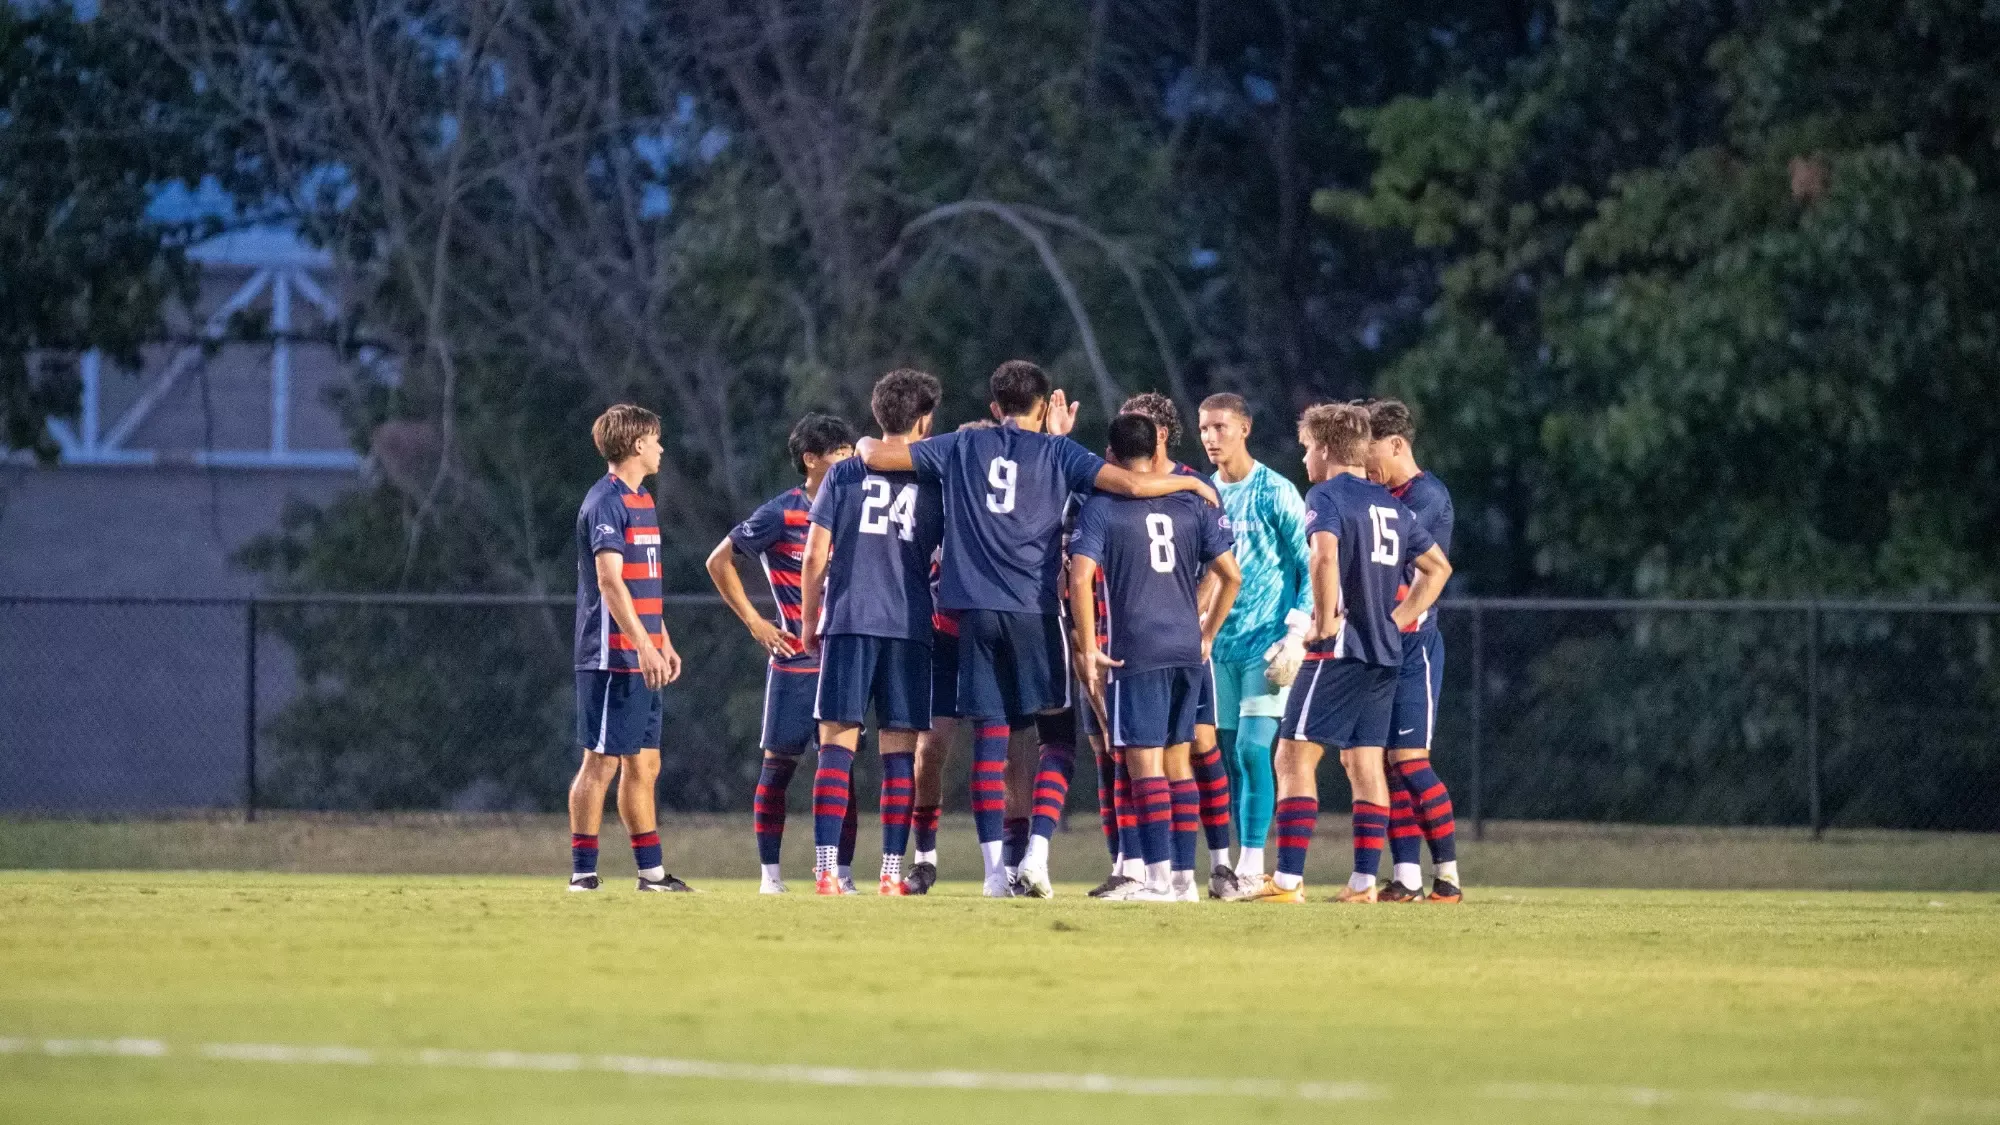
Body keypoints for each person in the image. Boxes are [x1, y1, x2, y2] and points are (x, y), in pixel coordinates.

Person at [855, 360, 1217, 897]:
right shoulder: (1059, 452)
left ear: (996, 406)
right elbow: (1128, 484)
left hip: (971, 612)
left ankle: (995, 877)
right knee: (1056, 740)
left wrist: (862, 443)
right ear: (1045, 406)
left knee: (991, 738)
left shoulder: (961, 444)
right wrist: (1194, 488)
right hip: (1033, 610)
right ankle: (1039, 857)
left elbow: (878, 455)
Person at [1247, 403, 1451, 904]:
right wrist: (1396, 621)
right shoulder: (1392, 505)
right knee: (1365, 765)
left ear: (1323, 449)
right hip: (1386, 653)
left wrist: (1323, 620)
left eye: (1305, 450)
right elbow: (1438, 569)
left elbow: (1323, 553)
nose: (1303, 461)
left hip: (1339, 650)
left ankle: (1288, 882)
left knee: (1292, 755)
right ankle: (1362, 882)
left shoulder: (1326, 495)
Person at [1068, 413, 1241, 901]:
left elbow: (1080, 578)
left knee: (1143, 767)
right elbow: (1232, 575)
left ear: (1112, 455)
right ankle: (1185, 880)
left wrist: (1091, 647)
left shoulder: (1103, 507)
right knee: (1178, 762)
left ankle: (1158, 880)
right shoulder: (1192, 500)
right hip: (1187, 648)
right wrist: (1205, 632)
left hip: (1136, 649)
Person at [799, 370, 945, 895]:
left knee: (835, 747)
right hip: (908, 625)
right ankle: (888, 872)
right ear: (925, 420)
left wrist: (808, 617)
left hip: (849, 618)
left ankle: (824, 870)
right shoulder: (934, 480)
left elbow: (815, 554)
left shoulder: (842, 474)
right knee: (899, 753)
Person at [704, 413, 858, 894]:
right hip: (795, 660)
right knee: (778, 767)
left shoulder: (858, 508)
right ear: (811, 460)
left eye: (851, 454)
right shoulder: (780, 513)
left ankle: (840, 873)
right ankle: (770, 876)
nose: (848, 463)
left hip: (844, 658)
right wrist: (755, 621)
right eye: (839, 455)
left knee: (842, 773)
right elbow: (718, 560)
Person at [568, 404, 694, 893]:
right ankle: (583, 874)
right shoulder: (605, 501)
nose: (662, 448)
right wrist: (642, 645)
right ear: (638, 445)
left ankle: (652, 874)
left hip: (644, 650)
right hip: (611, 655)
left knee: (645, 764)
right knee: (600, 762)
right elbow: (609, 581)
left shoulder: (643, 501)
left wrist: (662, 640)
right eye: (657, 440)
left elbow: (643, 585)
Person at [1195, 393, 1315, 898]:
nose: (1210, 438)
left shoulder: (1276, 491)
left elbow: (1311, 566)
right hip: (1217, 642)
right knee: (1223, 753)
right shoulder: (1202, 493)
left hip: (1266, 646)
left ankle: (1249, 865)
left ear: (1244, 428)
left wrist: (1297, 632)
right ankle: (1232, 864)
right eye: (1203, 429)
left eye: (1220, 427)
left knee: (1251, 748)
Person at [1365, 399, 1463, 903]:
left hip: (1414, 646)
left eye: (1371, 451)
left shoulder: (1426, 496)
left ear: (1398, 444)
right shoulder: (1382, 493)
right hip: (1380, 646)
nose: (1365, 464)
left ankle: (1447, 874)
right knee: (1384, 762)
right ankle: (1405, 876)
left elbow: (1420, 565)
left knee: (1410, 760)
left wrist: (1396, 620)